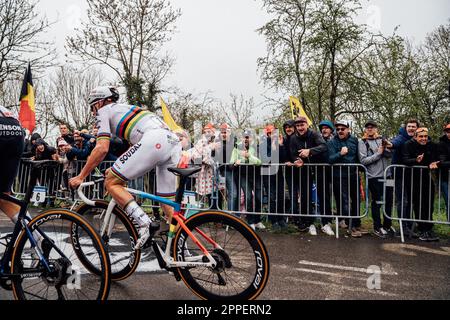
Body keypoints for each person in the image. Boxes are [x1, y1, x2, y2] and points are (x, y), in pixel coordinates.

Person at [69, 86, 182, 249]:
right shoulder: (126, 109)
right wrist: (116, 166)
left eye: (92, 106)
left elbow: (102, 148)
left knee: (112, 183)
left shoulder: (104, 111)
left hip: (155, 140)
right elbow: (135, 149)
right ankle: (181, 248)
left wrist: (81, 176)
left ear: (100, 102)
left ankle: (144, 223)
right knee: (167, 204)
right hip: (172, 142)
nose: (93, 112)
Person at [289, 116, 332, 236]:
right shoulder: (293, 138)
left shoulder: (314, 134)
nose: (300, 128)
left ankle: (325, 223)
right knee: (305, 197)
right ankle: (309, 223)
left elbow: (323, 146)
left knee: (323, 195)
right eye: (297, 126)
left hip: (319, 168)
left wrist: (310, 151)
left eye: (302, 125)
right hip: (304, 170)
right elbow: (292, 154)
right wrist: (297, 160)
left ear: (306, 125)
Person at [328, 120, 365, 238]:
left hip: (353, 174)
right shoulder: (332, 142)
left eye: (342, 129)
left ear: (348, 129)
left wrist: (362, 168)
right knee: (345, 201)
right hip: (339, 176)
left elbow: (357, 157)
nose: (340, 131)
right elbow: (329, 159)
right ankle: (351, 227)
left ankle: (357, 223)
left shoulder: (354, 140)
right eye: (337, 129)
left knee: (356, 200)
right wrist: (340, 153)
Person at [358, 120, 394, 238]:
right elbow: (363, 161)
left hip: (388, 175)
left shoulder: (382, 139)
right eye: (367, 127)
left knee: (389, 201)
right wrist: (378, 154)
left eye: (372, 127)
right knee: (377, 201)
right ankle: (377, 227)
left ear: (376, 128)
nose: (370, 129)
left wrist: (387, 148)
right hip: (374, 177)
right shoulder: (362, 142)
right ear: (365, 129)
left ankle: (387, 225)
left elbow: (390, 155)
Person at [402, 127, 439, 242]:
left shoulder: (431, 145)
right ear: (415, 136)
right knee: (418, 204)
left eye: (425, 136)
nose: (423, 138)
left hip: (426, 177)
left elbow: (434, 158)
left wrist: (434, 162)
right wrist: (415, 160)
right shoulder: (408, 144)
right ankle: (422, 229)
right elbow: (405, 160)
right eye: (421, 136)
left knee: (429, 204)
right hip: (412, 178)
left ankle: (429, 228)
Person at [390, 119, 419, 237]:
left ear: (417, 128)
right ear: (405, 128)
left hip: (411, 175)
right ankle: (403, 227)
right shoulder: (401, 137)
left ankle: (409, 224)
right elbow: (394, 143)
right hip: (399, 174)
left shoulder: (418, 139)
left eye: (413, 126)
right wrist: (389, 144)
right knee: (403, 201)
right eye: (409, 126)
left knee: (411, 201)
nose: (411, 128)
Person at [231, 129, 263, 230]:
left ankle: (257, 220)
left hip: (256, 175)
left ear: (252, 137)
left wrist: (249, 156)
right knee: (248, 197)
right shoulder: (237, 147)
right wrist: (235, 163)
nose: (246, 139)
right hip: (244, 175)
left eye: (248, 137)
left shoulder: (257, 147)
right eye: (244, 137)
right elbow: (231, 162)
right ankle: (250, 221)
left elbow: (259, 161)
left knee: (258, 198)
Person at [436, 122, 450, 219]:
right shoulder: (441, 144)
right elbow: (441, 162)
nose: (449, 133)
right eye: (448, 131)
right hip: (446, 178)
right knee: (449, 201)